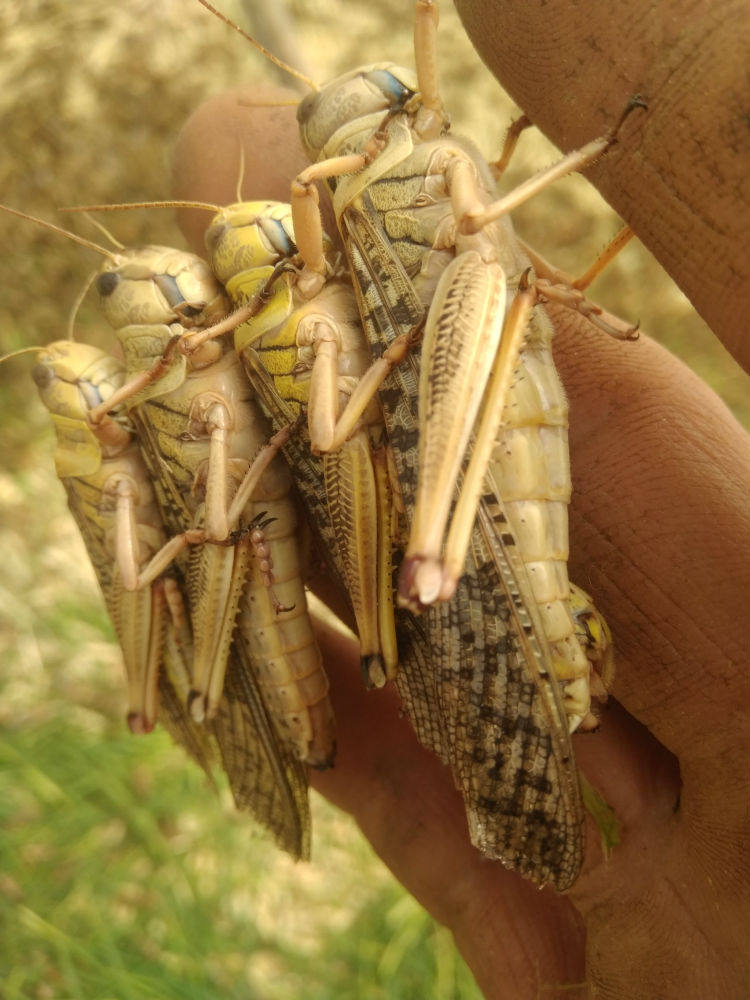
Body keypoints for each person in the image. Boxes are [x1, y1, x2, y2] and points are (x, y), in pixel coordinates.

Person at [170, 3, 749, 992]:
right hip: (475, 359)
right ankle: (494, 613)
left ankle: (491, 618)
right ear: (397, 117)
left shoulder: (371, 194)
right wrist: (592, 149)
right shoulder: (417, 171)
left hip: (474, 361)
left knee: (482, 288)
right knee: (482, 277)